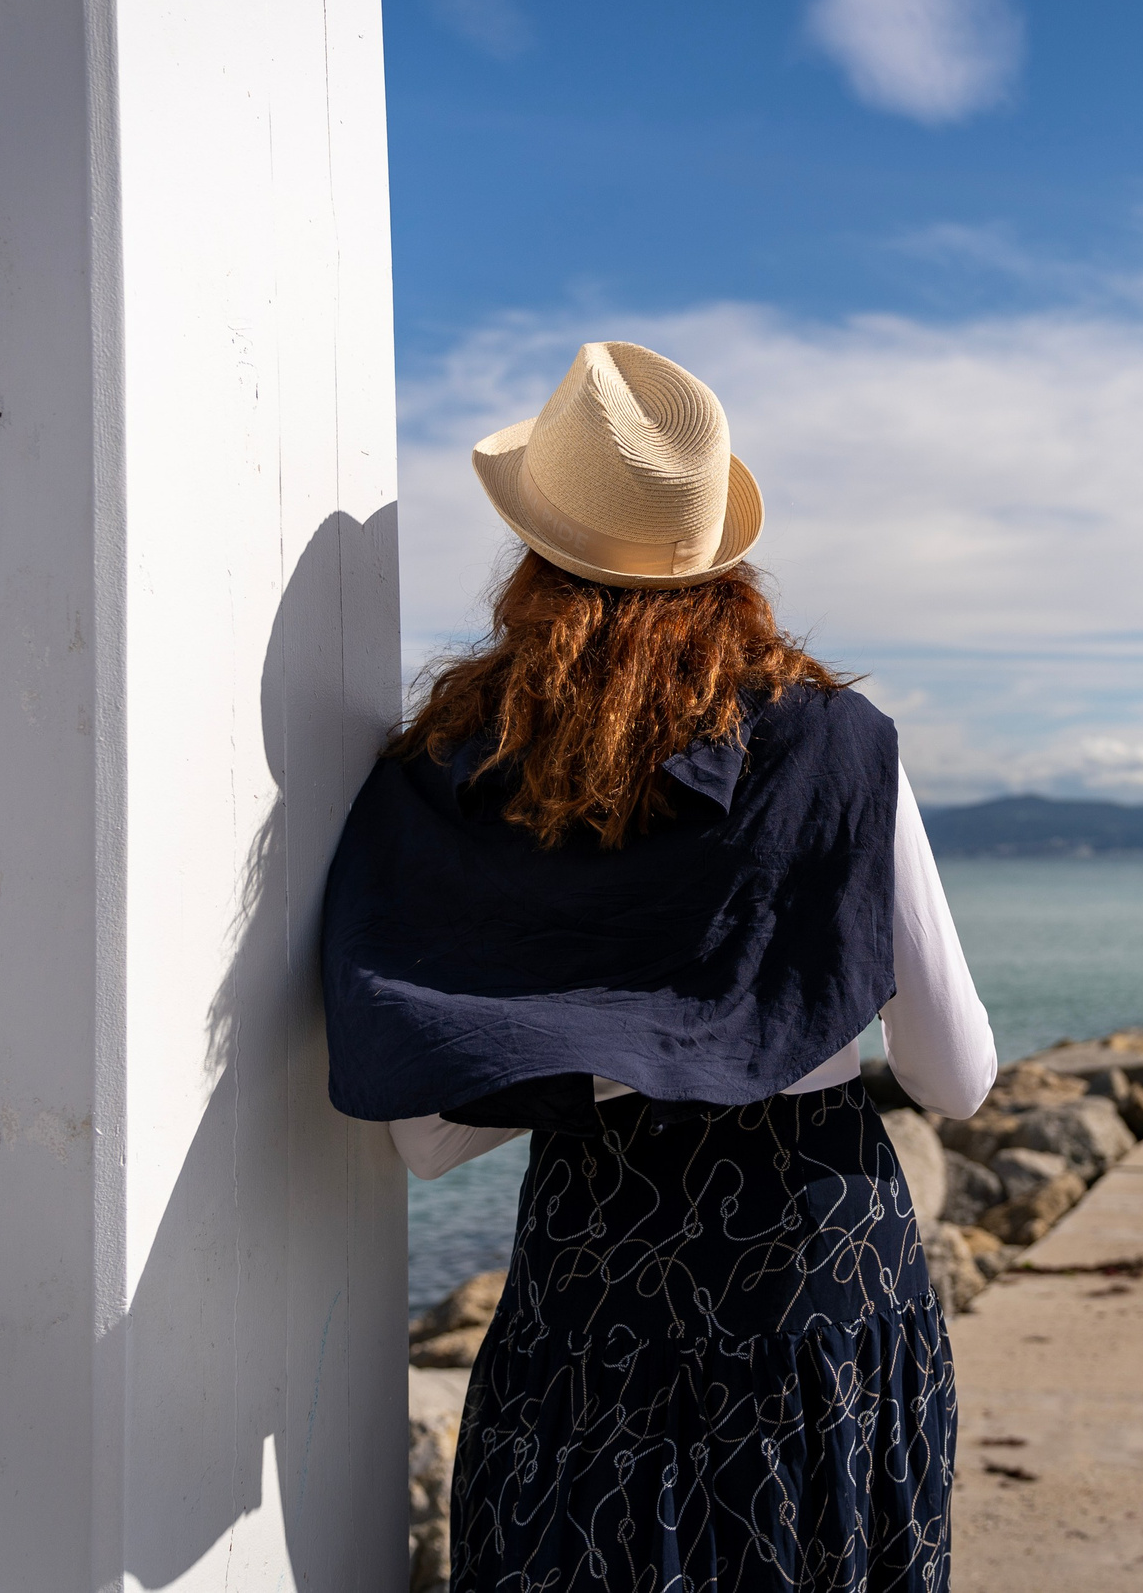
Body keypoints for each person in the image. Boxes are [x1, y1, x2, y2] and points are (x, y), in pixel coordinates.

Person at [321, 339, 995, 1592]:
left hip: (599, 1265)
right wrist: (750, 1021)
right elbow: (955, 1080)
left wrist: (609, 1056)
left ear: (532, 559)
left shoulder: (454, 770)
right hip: (815, 1268)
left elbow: (423, 1131)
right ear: (722, 562)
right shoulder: (836, 744)